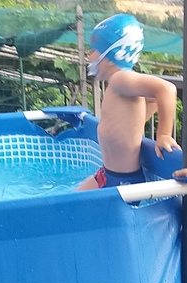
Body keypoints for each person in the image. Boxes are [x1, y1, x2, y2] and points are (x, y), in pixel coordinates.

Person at [76, 14, 181, 191]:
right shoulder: (119, 83)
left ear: (110, 55)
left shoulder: (121, 79)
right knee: (69, 203)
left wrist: (164, 134)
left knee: (70, 206)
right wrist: (134, 125)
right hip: (107, 174)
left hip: (124, 182)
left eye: (93, 51)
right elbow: (153, 99)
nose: (89, 57)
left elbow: (167, 89)